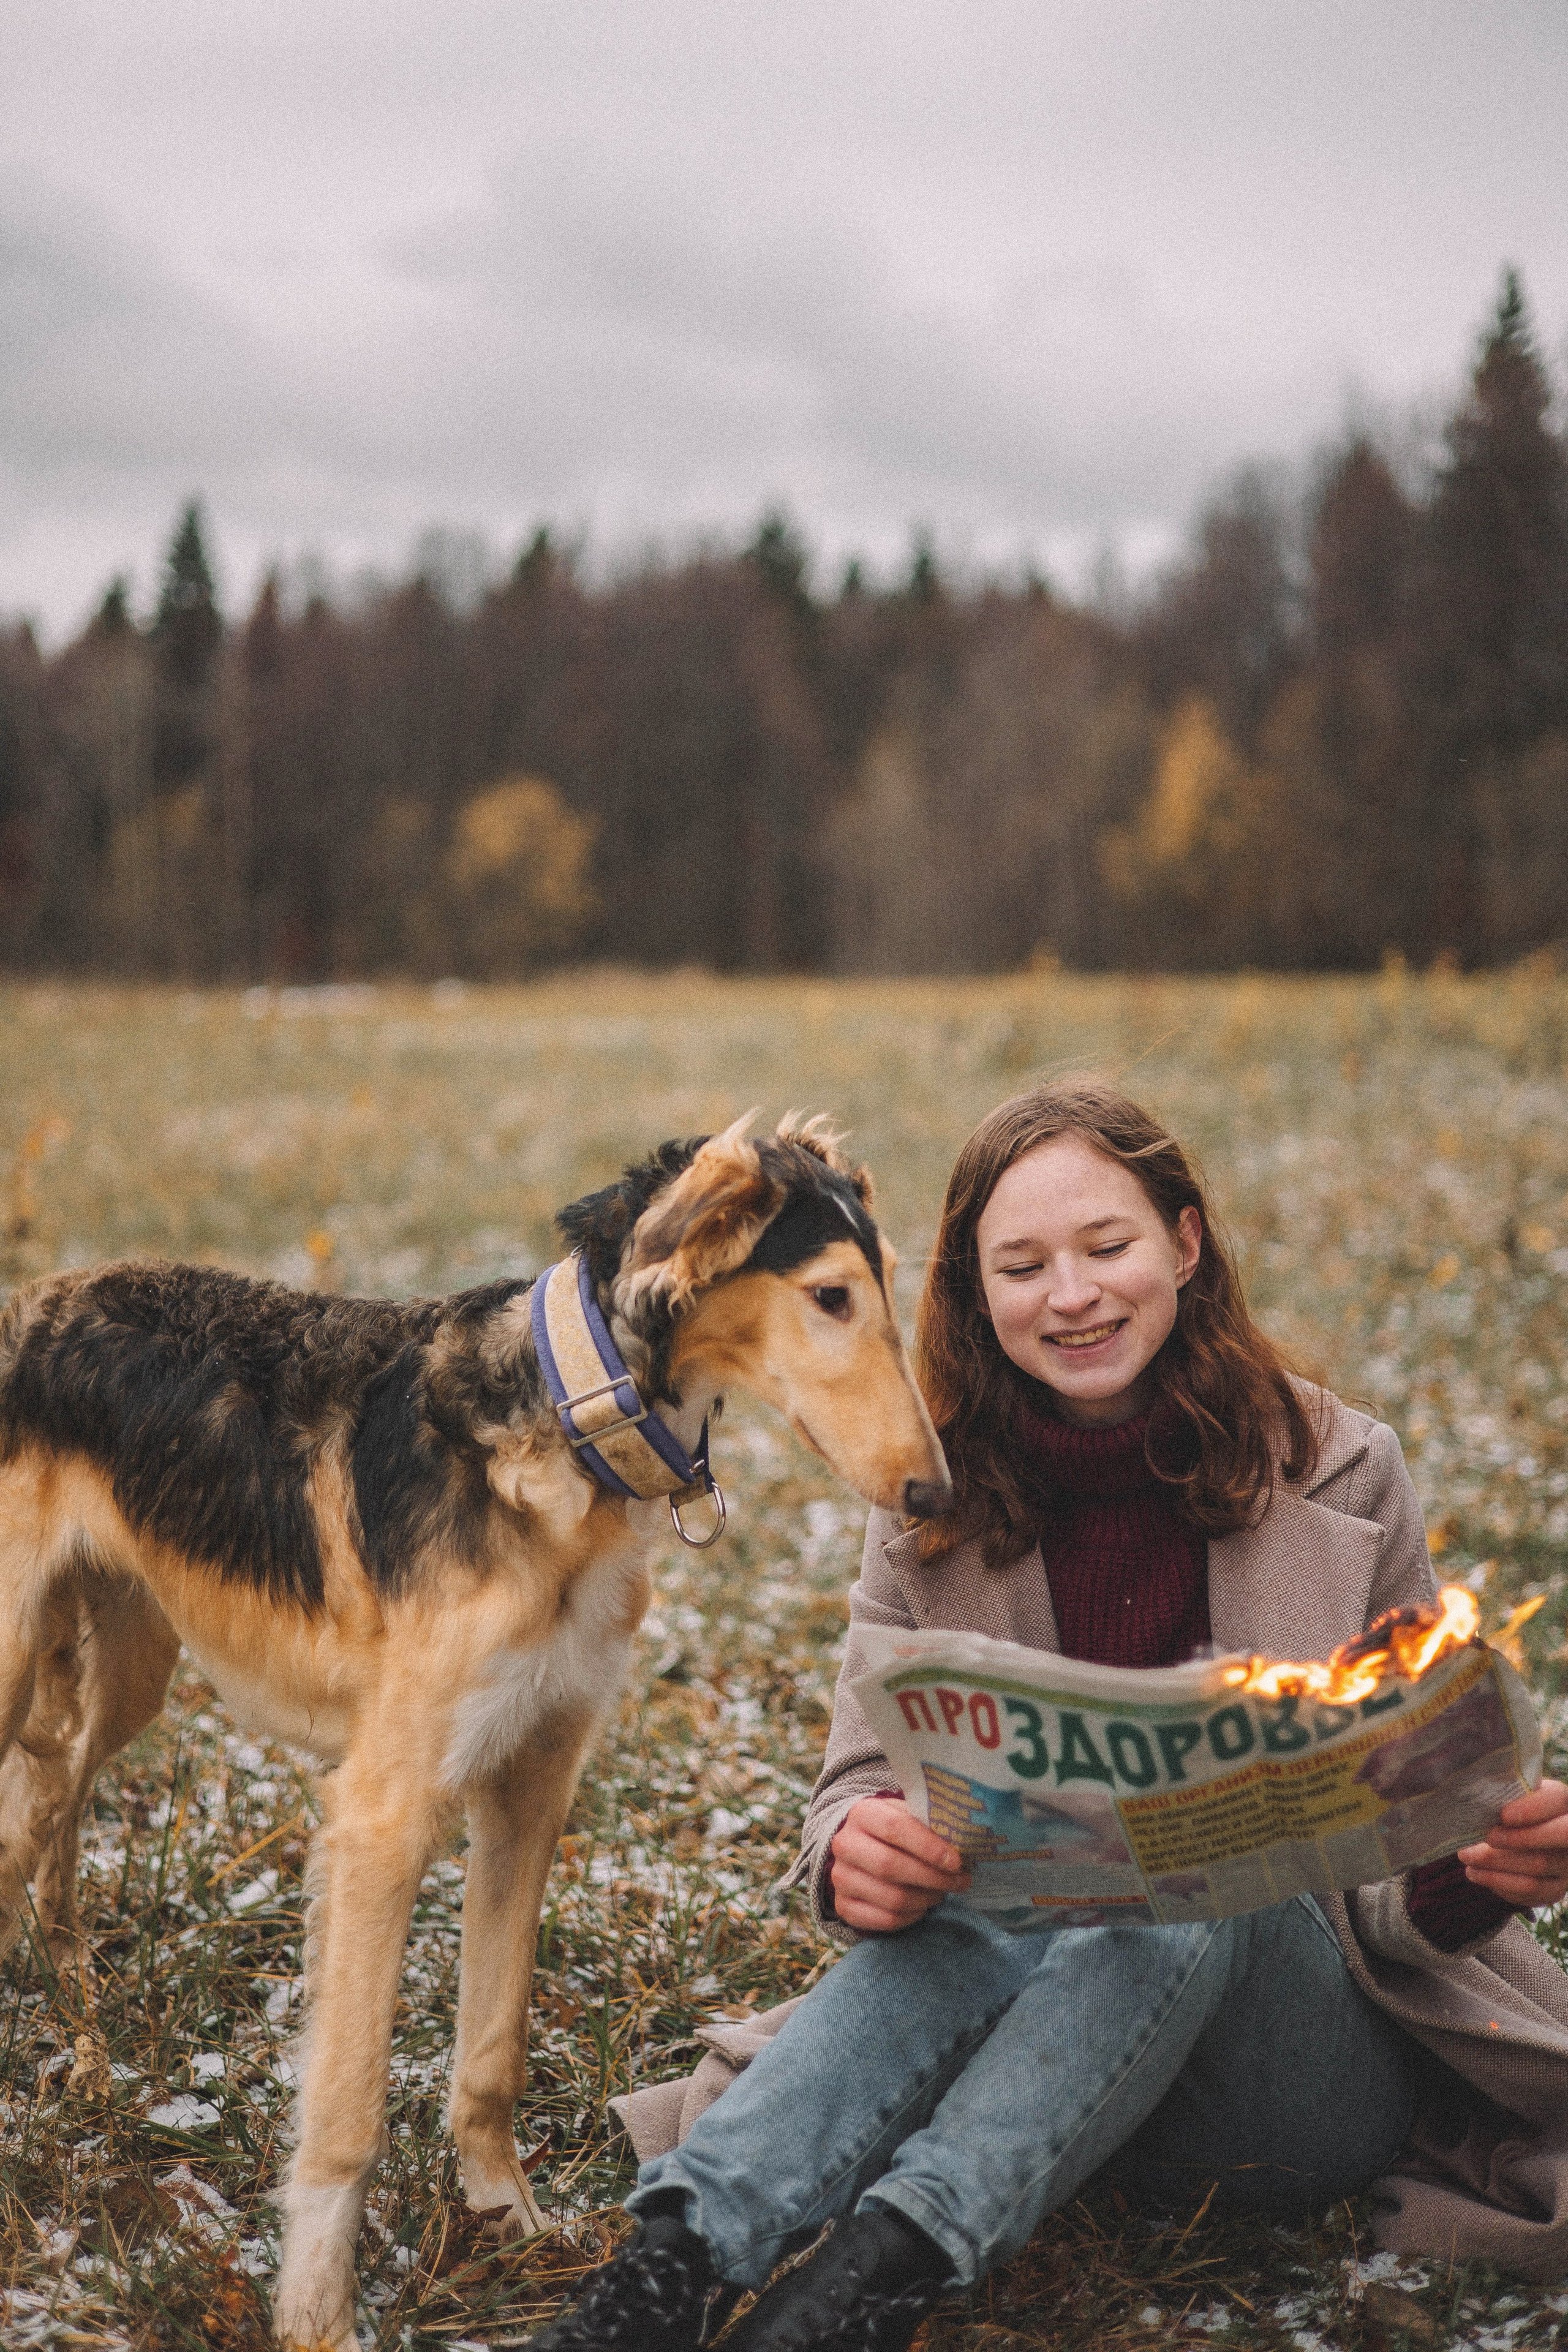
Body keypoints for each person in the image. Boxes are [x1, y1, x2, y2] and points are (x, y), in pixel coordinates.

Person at [529, 1080, 1568, 2352]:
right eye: (1019, 1266)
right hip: (1014, 2037)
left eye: (1106, 1248)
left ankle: (891, 2264)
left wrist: (1474, 1873)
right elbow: (853, 1793)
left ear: (1183, 1246)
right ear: (975, 1295)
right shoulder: (925, 1506)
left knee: (1183, 1871)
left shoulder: (1346, 1473)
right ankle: (671, 2268)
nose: (1068, 1296)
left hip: (1283, 2090)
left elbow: (1391, 1861)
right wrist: (863, 1851)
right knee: (1007, 1870)